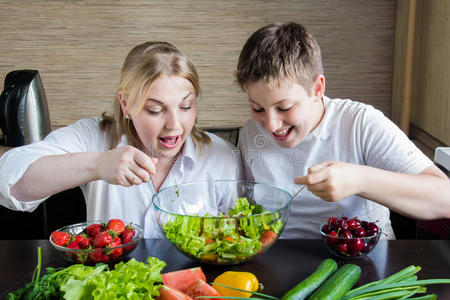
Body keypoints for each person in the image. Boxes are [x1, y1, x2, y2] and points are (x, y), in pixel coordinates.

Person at [0, 41, 242, 238]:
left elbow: (239, 237)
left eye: (185, 106)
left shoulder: (222, 157)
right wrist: (97, 164)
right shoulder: (93, 136)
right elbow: (9, 183)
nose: (175, 125)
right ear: (126, 104)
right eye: (155, 110)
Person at [235, 22, 450, 239]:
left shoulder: (360, 123)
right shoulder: (250, 133)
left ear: (317, 88)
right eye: (257, 108)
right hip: (278, 259)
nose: (271, 125)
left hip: (364, 261)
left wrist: (360, 179)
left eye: (284, 107)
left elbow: (444, 198)